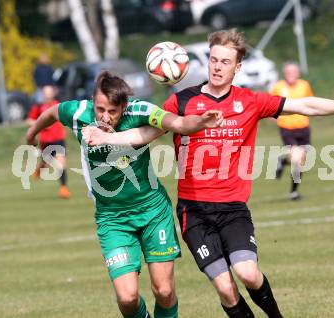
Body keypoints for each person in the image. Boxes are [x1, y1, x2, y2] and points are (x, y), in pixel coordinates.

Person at [83, 29, 334, 318]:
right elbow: (144, 134)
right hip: (194, 212)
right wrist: (106, 137)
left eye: (225, 61)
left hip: (233, 209)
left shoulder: (250, 101)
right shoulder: (181, 101)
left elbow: (304, 105)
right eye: (213, 59)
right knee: (227, 290)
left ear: (237, 67)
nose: (217, 67)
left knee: (247, 273)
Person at [26, 70, 225, 318]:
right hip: (112, 219)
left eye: (112, 111)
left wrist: (201, 121)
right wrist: (32, 133)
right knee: (127, 297)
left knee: (163, 291)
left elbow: (177, 123)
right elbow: (52, 113)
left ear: (124, 107)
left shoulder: (138, 111)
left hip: (153, 211)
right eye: (100, 109)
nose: (105, 117)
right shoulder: (79, 113)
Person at [270, 61, 314, 200]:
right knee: (297, 159)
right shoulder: (278, 87)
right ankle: (293, 193)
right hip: (287, 129)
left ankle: (282, 163)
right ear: (284, 73)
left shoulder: (304, 85)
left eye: (293, 72)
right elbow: (270, 105)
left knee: (300, 161)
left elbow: (311, 102)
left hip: (304, 128)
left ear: (298, 73)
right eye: (288, 72)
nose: (291, 75)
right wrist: (273, 116)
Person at [27, 85, 70, 199]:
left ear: (53, 94)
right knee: (47, 163)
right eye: (45, 93)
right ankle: (40, 168)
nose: (47, 95)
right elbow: (29, 121)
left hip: (59, 138)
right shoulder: (39, 106)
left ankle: (63, 188)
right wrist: (41, 123)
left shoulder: (58, 105)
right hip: (45, 140)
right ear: (42, 94)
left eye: (49, 92)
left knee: (60, 163)